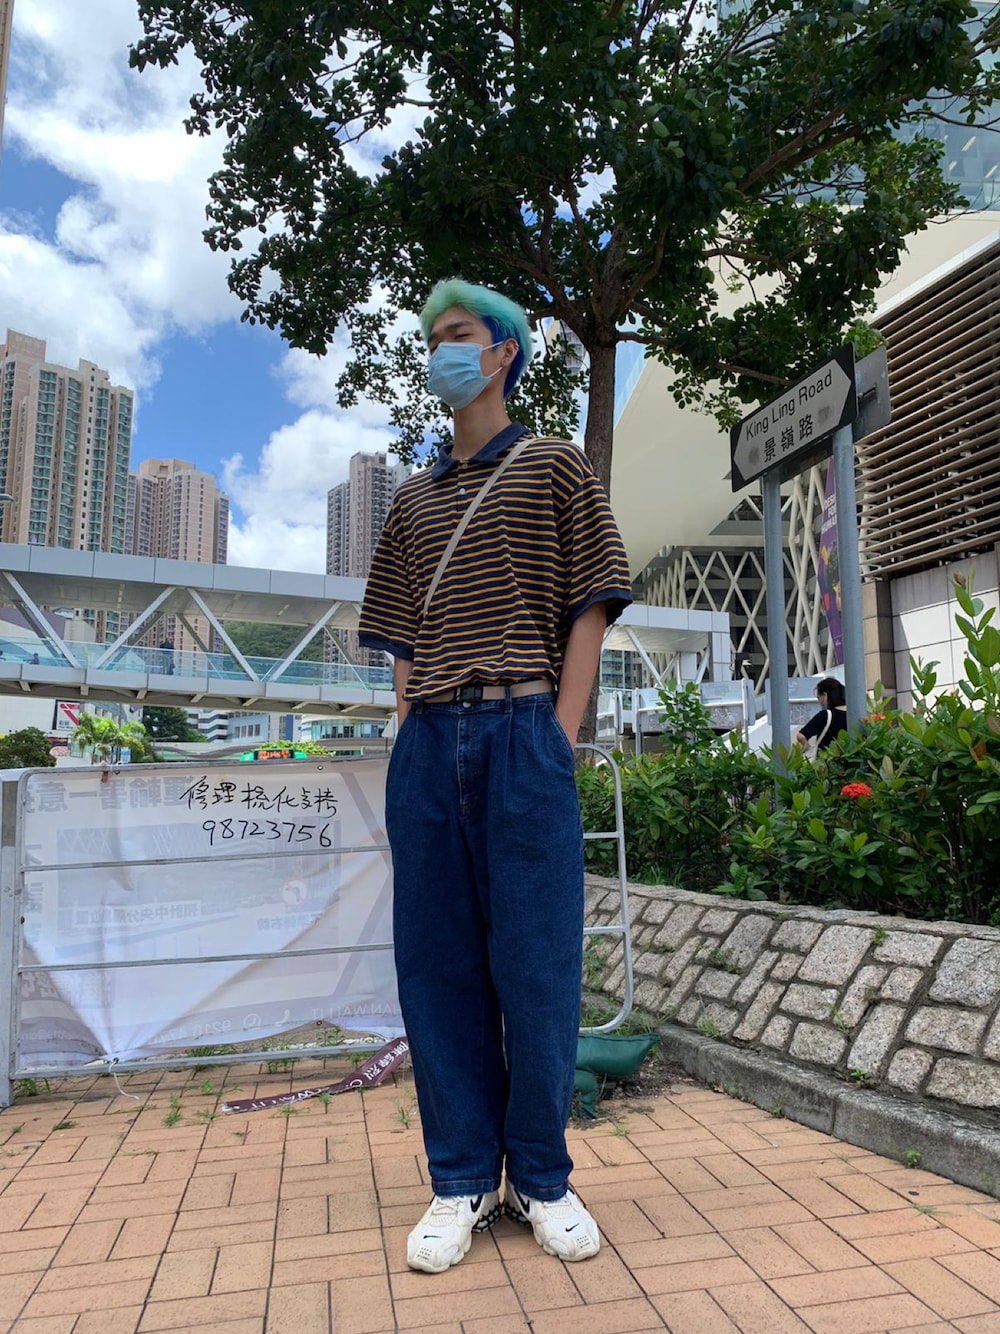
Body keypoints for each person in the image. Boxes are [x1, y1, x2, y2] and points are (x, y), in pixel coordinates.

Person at [359, 278, 632, 1275]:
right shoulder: (411, 498)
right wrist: (410, 726)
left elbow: (591, 605)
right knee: (437, 970)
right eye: (433, 337)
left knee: (538, 968)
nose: (442, 350)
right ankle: (462, 1176)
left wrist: (557, 732)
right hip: (431, 737)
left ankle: (542, 1176)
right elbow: (396, 634)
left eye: (459, 334)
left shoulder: (555, 465)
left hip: (524, 729)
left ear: (505, 350)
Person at [796, 676, 848, 753]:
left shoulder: (825, 715)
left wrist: (806, 745)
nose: (819, 702)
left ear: (825, 695)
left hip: (825, 758)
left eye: (819, 697)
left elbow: (801, 736)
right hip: (851, 758)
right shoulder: (854, 715)